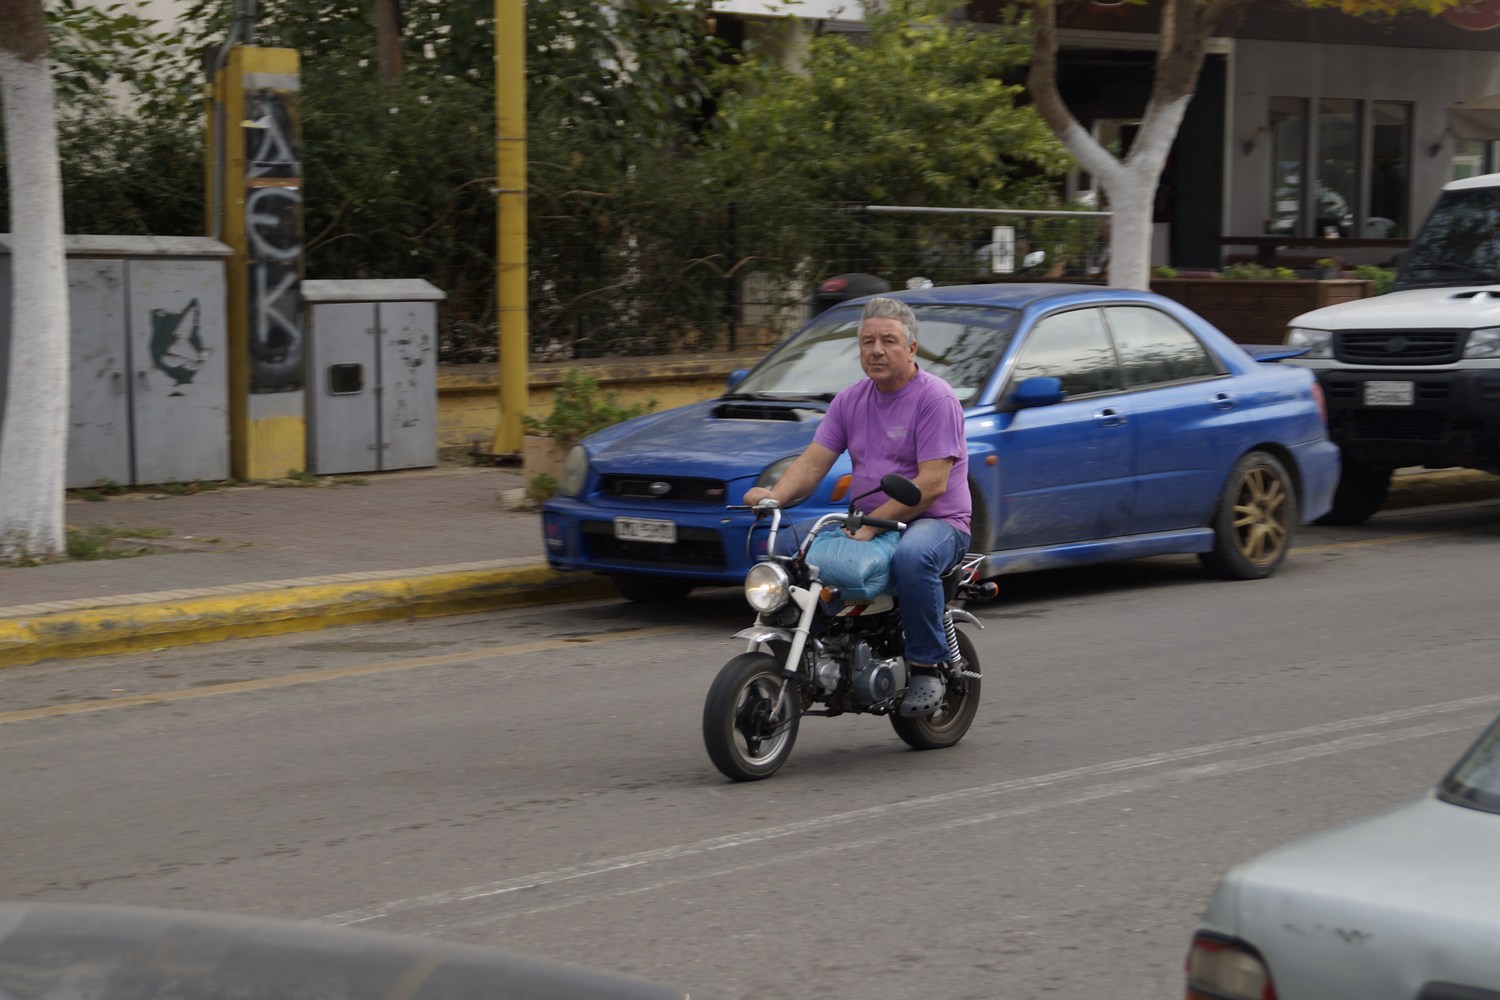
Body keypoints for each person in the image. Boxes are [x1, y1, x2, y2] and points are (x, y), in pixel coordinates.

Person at [742, 296, 971, 716]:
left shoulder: (935, 399)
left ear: (912, 348)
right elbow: (812, 464)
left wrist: (875, 524)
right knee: (798, 556)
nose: (877, 350)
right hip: (870, 518)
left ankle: (926, 666)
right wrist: (774, 495)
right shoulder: (850, 401)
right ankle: (815, 655)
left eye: (888, 340)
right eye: (867, 341)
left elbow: (933, 484)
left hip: (937, 521)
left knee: (913, 558)